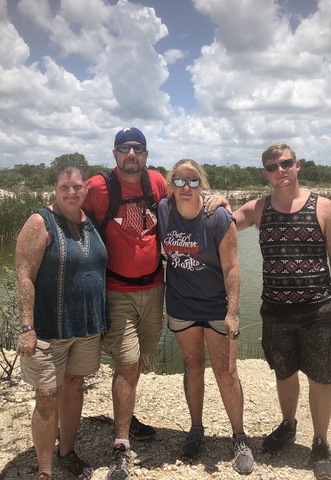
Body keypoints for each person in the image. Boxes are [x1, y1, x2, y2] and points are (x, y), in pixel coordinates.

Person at [83, 127, 227, 480]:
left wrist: (218, 199)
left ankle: (126, 418)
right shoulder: (98, 187)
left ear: (146, 154)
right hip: (116, 291)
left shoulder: (157, 184)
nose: (131, 154)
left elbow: (187, 198)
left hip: (155, 288)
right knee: (127, 363)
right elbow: (69, 212)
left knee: (140, 358)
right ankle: (120, 446)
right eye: (124, 148)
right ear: (114, 153)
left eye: (138, 148)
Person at [233, 143, 331, 480]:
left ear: (297, 165)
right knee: (284, 373)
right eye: (272, 167)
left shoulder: (323, 207)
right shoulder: (259, 208)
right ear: (265, 174)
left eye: (285, 163)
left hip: (317, 310)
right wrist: (211, 202)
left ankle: (321, 441)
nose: (280, 170)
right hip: (275, 310)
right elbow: (224, 224)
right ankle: (288, 425)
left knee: (320, 376)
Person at [157, 159, 254, 474]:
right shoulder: (163, 210)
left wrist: (234, 311)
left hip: (215, 306)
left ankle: (239, 437)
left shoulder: (217, 216)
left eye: (194, 181)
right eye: (180, 181)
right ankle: (196, 428)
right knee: (193, 365)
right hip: (182, 304)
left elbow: (231, 267)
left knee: (226, 371)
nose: (186, 187)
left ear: (202, 185)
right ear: (171, 184)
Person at [16, 165, 108, 480]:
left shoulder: (90, 222)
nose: (72, 192)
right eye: (65, 187)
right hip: (47, 328)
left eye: (77, 187)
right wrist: (27, 327)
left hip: (84, 328)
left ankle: (66, 451)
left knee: (73, 387)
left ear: (86, 189)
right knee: (46, 396)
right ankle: (44, 470)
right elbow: (24, 277)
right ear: (55, 188)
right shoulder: (40, 222)